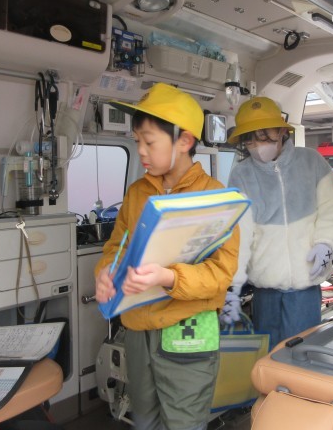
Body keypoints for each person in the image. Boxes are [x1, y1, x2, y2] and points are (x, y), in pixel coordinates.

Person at [94, 83, 239, 430]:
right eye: (136, 141)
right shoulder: (137, 192)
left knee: (183, 422)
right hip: (137, 328)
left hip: (188, 327)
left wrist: (169, 277)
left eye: (149, 142)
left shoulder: (214, 196)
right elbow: (117, 246)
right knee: (144, 418)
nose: (140, 151)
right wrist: (106, 272)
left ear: (184, 140)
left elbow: (222, 272)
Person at [221, 96, 333, 349]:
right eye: (250, 139)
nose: (257, 145)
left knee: (302, 356)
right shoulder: (242, 174)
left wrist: (326, 244)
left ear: (282, 131)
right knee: (268, 359)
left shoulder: (310, 162)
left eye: (264, 136)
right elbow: (238, 234)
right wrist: (232, 287)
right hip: (264, 292)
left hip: (305, 289)